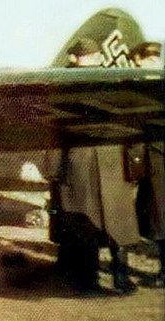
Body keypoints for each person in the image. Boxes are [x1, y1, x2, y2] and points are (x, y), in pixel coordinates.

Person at [50, 38, 140, 294]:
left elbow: (56, 131)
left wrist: (55, 168)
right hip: (107, 160)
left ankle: (91, 282)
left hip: (85, 161)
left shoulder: (63, 87)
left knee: (89, 224)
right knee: (114, 222)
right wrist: (134, 161)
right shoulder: (114, 81)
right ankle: (118, 279)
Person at [131, 41, 165, 287]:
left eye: (154, 60)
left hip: (158, 157)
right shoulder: (136, 85)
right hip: (151, 163)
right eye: (146, 61)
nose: (150, 64)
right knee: (157, 218)